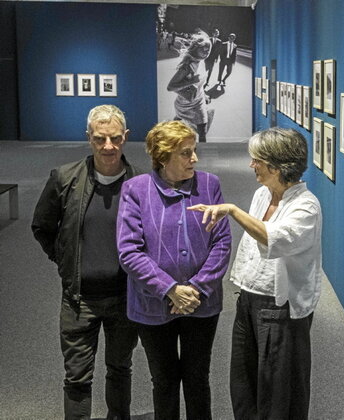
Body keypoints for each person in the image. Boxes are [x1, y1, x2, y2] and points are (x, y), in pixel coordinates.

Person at [188, 127, 323, 419]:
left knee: (278, 391)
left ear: (277, 165)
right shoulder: (263, 193)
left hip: (279, 307)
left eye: (257, 160)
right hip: (249, 300)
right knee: (244, 383)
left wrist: (234, 211)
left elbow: (276, 237)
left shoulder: (306, 206)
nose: (252, 165)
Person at [116, 120, 232, 420]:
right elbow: (128, 250)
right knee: (164, 380)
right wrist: (170, 289)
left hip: (201, 303)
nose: (194, 159)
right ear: (163, 157)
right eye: (185, 153)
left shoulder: (210, 185)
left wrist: (194, 289)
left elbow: (221, 243)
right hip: (152, 303)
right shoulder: (136, 189)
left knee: (197, 378)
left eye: (194, 151)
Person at [31, 105, 140, 420]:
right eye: (100, 139)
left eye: (116, 138)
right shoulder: (64, 179)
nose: (108, 146)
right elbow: (42, 227)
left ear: (126, 137)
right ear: (89, 138)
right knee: (77, 377)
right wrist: (66, 262)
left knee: (120, 368)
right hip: (79, 300)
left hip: (124, 298)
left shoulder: (140, 184)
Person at [167, 30, 214, 142]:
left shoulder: (201, 62)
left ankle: (168, 132)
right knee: (199, 129)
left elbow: (200, 84)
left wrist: (204, 95)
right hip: (186, 104)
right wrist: (191, 81)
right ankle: (167, 138)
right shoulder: (187, 67)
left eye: (208, 50)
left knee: (202, 130)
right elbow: (170, 87)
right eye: (204, 50)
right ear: (196, 49)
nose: (206, 53)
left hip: (199, 101)